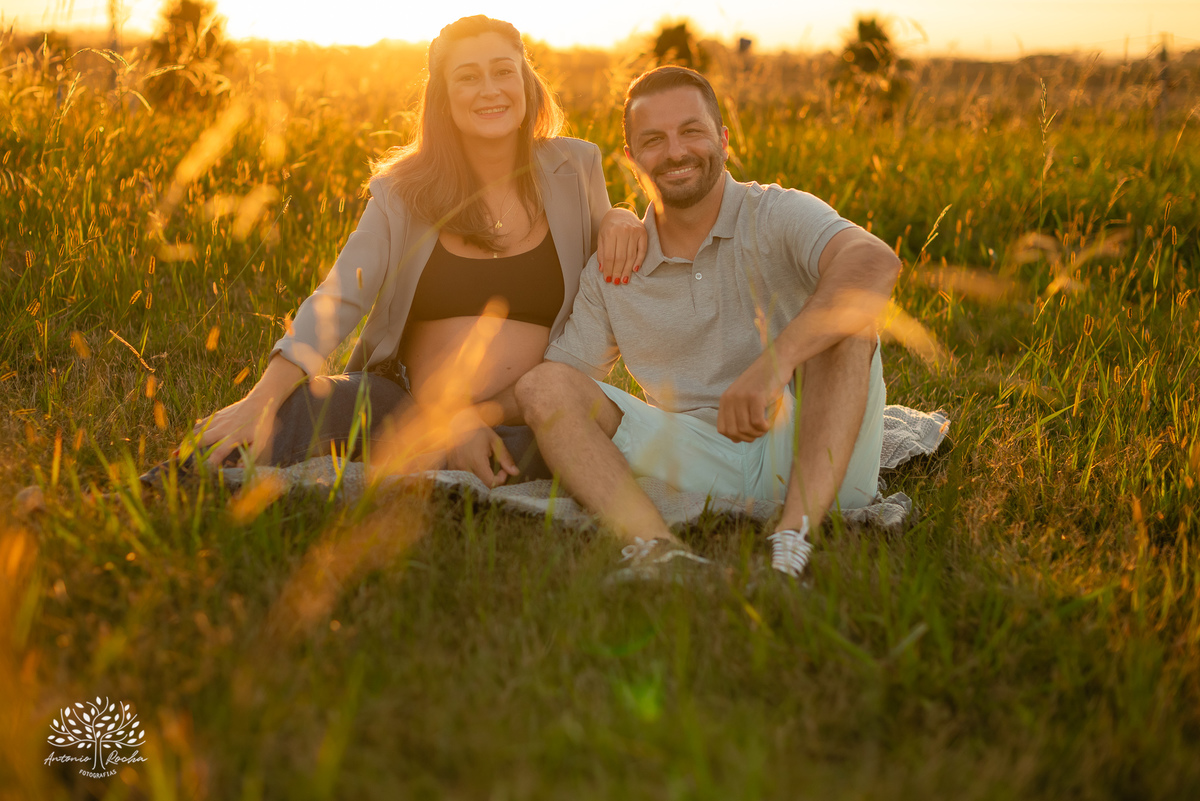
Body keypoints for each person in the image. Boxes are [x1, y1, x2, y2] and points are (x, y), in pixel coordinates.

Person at [185, 16, 647, 487]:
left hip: (528, 416)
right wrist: (260, 401)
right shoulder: (401, 190)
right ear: (443, 98)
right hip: (404, 404)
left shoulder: (577, 166)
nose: (490, 89)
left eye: (504, 70)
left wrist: (621, 216)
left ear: (526, 81)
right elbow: (338, 299)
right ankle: (155, 494)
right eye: (467, 76)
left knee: (569, 447)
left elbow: (603, 281)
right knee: (293, 413)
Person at [512, 66, 902, 580]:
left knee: (851, 321)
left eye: (691, 131)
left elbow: (875, 263)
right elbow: (559, 389)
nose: (675, 152)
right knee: (543, 386)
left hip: (813, 450)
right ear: (631, 160)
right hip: (690, 458)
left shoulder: (775, 212)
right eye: (654, 140)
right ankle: (657, 551)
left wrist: (774, 364)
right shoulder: (615, 262)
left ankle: (792, 541)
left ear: (721, 138)